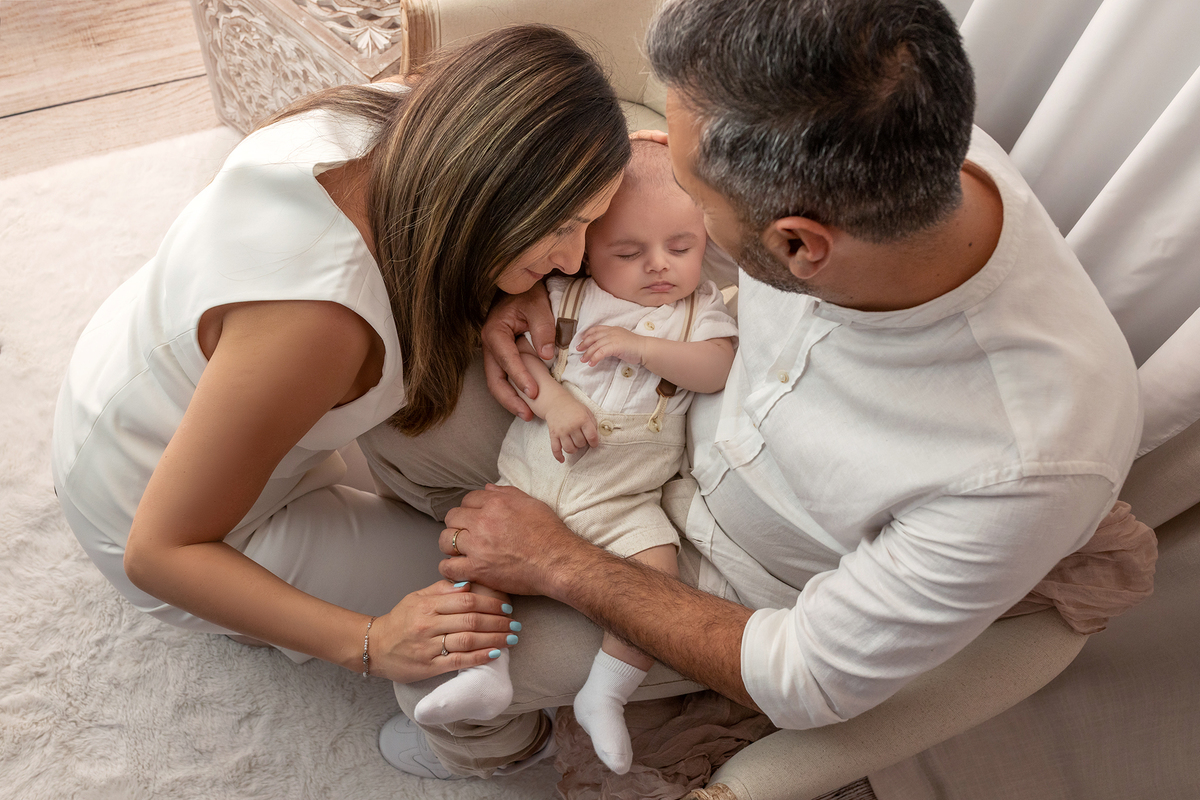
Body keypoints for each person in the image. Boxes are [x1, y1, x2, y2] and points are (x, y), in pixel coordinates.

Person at [367, 0, 1142, 779]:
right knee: (393, 398)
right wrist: (550, 269)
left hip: (727, 578)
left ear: (797, 246)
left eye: (696, 203)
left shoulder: (1029, 460)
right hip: (638, 423)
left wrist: (557, 562)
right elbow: (650, 165)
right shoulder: (884, 135)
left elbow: (807, 675)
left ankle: (515, 749)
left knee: (429, 671)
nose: (672, 181)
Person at [49, 25, 631, 715]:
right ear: (489, 192)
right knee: (523, 600)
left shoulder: (391, 115)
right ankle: (258, 623)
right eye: (561, 226)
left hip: (119, 379)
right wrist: (371, 642)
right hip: (156, 516)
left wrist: (516, 281)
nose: (573, 259)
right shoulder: (320, 324)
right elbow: (160, 550)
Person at [408, 141, 737, 775]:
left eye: (681, 246)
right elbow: (523, 354)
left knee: (655, 574)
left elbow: (716, 368)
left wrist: (641, 348)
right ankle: (486, 672)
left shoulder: (700, 312)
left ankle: (605, 693)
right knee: (470, 557)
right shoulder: (568, 296)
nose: (659, 266)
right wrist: (556, 400)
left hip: (625, 496)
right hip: (534, 476)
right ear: (589, 252)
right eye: (628, 252)